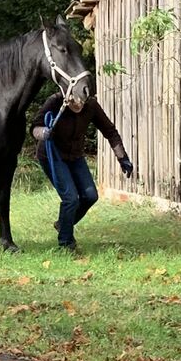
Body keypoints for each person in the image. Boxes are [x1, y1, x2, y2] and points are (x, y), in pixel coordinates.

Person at [31, 93, 133, 251]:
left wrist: (122, 157)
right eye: (73, 102)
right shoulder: (55, 101)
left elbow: (110, 131)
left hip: (75, 156)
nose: (78, 105)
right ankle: (66, 244)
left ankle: (63, 224)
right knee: (70, 198)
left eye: (81, 102)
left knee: (90, 196)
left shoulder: (91, 105)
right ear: (67, 96)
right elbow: (35, 127)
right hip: (52, 155)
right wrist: (43, 132)